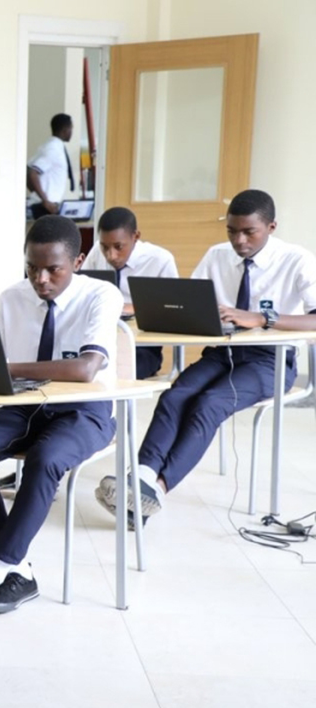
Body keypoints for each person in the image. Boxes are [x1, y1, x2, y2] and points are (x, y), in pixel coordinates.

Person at [0, 215, 122, 615]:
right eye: (32, 268)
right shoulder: (11, 297)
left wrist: (10, 367)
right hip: (25, 405)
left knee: (46, 458)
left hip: (85, 412)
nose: (41, 279)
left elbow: (86, 369)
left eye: (53, 269)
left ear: (79, 260)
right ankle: (17, 571)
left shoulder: (101, 296)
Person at [96, 189, 316, 523]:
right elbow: (187, 300)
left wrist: (261, 318)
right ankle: (140, 476)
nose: (238, 240)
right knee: (176, 396)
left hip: (269, 360)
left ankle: (154, 489)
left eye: (248, 232)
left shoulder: (296, 259)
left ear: (271, 227)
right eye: (232, 231)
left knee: (209, 403)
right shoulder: (217, 256)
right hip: (222, 352)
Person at [80, 206, 178, 378]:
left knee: (116, 373)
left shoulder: (160, 260)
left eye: (119, 247)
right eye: (105, 247)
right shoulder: (97, 252)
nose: (111, 255)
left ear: (136, 237)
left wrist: (136, 308)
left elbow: (174, 308)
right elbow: (82, 291)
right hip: (98, 342)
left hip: (141, 348)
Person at [27, 113, 75, 219]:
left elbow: (28, 169)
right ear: (65, 129)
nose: (72, 132)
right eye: (71, 128)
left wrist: (36, 194)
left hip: (48, 205)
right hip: (46, 207)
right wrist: (44, 200)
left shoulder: (50, 145)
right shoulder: (53, 149)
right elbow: (32, 172)